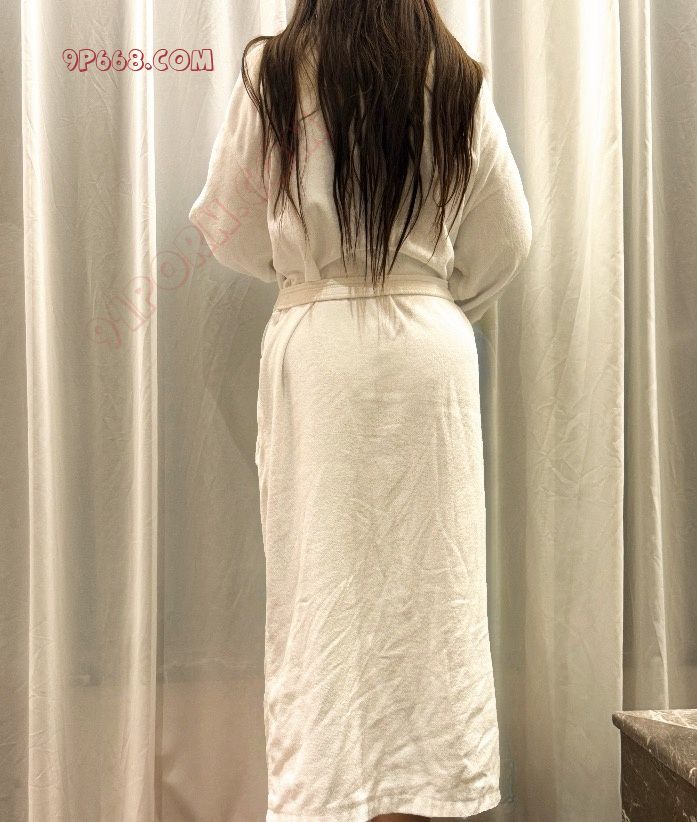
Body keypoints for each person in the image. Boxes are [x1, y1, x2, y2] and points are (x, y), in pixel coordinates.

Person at [189, 1, 532, 820]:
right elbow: (507, 236)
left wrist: (305, 268)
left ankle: (334, 789)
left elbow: (227, 228)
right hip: (429, 356)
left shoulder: (274, 72)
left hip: (321, 352)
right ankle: (430, 789)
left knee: (322, 598)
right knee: (435, 598)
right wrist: (430, 296)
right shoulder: (457, 76)